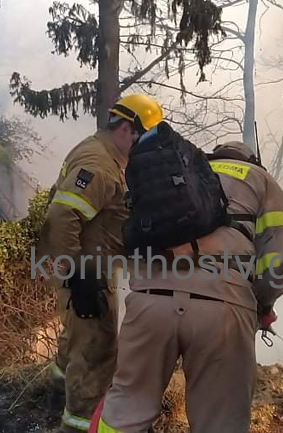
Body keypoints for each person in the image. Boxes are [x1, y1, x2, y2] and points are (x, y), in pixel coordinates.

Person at [94, 139, 283, 433]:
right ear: (253, 160)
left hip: (150, 300)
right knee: (220, 422)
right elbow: (277, 265)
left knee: (126, 408)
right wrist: (262, 304)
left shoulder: (181, 170)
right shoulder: (262, 180)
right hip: (222, 310)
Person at [36, 94, 164, 433]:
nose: (144, 146)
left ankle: (53, 397)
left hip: (91, 269)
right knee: (97, 350)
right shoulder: (98, 163)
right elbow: (62, 215)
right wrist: (78, 274)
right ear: (125, 129)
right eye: (143, 137)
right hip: (87, 272)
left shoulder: (109, 158)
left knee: (78, 342)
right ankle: (79, 423)